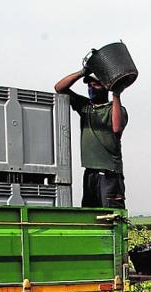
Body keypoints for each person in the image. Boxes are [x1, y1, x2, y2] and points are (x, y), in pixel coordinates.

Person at [54, 68, 128, 208]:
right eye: (89, 85)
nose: (91, 88)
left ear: (106, 87)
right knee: (90, 215)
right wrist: (83, 72)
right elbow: (59, 88)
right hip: (90, 173)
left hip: (109, 174)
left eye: (96, 85)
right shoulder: (85, 107)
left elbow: (117, 128)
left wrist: (116, 94)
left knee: (112, 216)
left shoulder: (115, 109)